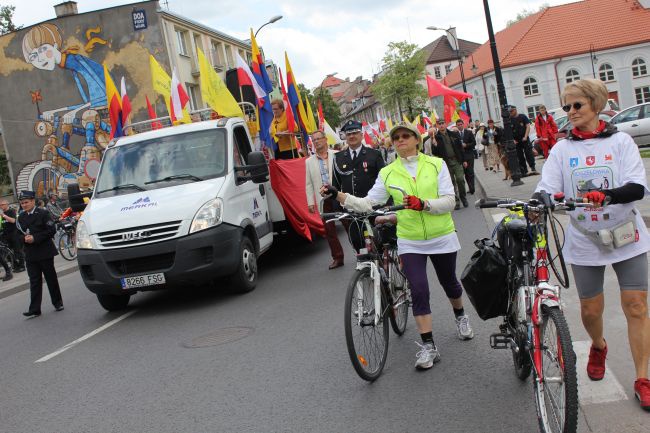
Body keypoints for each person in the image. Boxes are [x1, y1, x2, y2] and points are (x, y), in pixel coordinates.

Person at [534, 78, 650, 410]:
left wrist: (609, 195)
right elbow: (546, 186)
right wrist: (545, 197)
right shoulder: (561, 149)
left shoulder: (621, 142)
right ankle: (598, 345)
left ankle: (643, 377)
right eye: (566, 106)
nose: (570, 112)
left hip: (626, 234)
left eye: (577, 105)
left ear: (596, 106)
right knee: (590, 309)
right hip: (585, 238)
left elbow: (637, 187)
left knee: (637, 305)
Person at [321, 122, 473, 370]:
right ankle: (428, 346)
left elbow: (449, 201)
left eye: (405, 136)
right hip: (410, 239)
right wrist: (338, 195)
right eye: (396, 137)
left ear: (416, 139)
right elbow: (369, 202)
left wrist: (423, 204)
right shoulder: (388, 172)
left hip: (441, 235)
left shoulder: (436, 165)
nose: (400, 140)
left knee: (450, 283)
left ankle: (461, 316)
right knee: (419, 288)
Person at [331, 120, 385, 249]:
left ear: (361, 135)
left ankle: (381, 264)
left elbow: (383, 180)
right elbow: (336, 184)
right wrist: (337, 208)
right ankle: (364, 263)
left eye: (355, 133)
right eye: (348, 134)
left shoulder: (374, 154)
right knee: (356, 240)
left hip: (373, 205)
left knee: (379, 240)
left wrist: (387, 203)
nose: (352, 136)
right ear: (345, 137)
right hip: (351, 207)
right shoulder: (338, 158)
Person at [17, 190, 63, 317]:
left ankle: (57, 302)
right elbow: (18, 234)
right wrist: (24, 239)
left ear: (32, 201)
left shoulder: (43, 213)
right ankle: (35, 308)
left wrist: (35, 238)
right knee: (34, 281)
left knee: (50, 278)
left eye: (26, 202)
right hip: (31, 254)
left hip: (44, 252)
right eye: (22, 203)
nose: (24, 205)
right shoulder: (21, 217)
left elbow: (51, 230)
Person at [305, 130, 345, 270]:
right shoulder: (309, 162)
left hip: (340, 195)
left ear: (325, 139)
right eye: (314, 140)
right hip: (324, 199)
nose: (316, 142)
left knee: (349, 223)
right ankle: (338, 257)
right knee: (329, 230)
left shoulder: (337, 155)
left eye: (318, 139)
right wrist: (311, 202)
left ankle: (360, 251)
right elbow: (308, 183)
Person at [431, 119, 468, 209]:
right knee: (451, 183)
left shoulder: (453, 134)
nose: (441, 125)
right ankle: (456, 201)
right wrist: (434, 145)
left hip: (456, 161)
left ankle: (463, 197)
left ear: (445, 124)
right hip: (446, 164)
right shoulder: (436, 137)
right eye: (439, 124)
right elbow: (435, 153)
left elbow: (460, 148)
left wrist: (464, 160)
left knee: (460, 179)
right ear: (437, 126)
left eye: (442, 123)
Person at [509, 105, 538, 176]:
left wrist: (525, 136)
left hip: (524, 138)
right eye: (510, 112)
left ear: (515, 110)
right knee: (520, 155)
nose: (511, 113)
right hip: (516, 140)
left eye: (512, 111)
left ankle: (532, 167)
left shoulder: (522, 116)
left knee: (529, 153)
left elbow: (528, 126)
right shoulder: (510, 119)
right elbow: (509, 131)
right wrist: (513, 140)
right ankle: (524, 170)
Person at [0, 199, 25, 272]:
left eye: (2, 205)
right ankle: (15, 265)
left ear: (7, 204)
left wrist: (4, 215)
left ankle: (22, 266)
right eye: (0, 205)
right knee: (7, 252)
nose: (1, 206)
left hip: (14, 234)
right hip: (5, 235)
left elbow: (13, 221)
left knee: (18, 251)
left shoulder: (11, 211)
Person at [456, 119, 476, 194]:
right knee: (465, 173)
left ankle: (472, 188)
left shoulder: (469, 132)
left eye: (461, 124)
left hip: (469, 155)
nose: (460, 126)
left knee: (470, 172)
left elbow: (474, 143)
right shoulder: (455, 134)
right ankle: (470, 187)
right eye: (458, 125)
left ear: (463, 124)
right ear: (457, 126)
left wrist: (466, 145)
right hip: (461, 157)